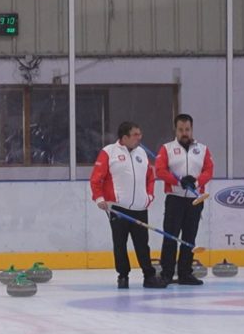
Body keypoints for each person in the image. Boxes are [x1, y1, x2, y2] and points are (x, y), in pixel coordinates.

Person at [90, 121, 164, 289]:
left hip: (140, 207)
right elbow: (96, 179)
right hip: (118, 208)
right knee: (120, 244)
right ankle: (123, 276)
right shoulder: (108, 152)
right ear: (124, 137)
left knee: (142, 244)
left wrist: (148, 197)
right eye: (135, 135)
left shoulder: (142, 154)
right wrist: (99, 198)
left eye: (140, 134)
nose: (140, 137)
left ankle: (149, 276)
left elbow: (150, 178)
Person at [155, 114, 214, 285]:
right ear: (176, 130)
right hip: (175, 198)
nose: (184, 133)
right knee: (171, 236)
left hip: (195, 200)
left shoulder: (202, 149)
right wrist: (179, 181)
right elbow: (160, 170)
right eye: (181, 130)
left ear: (191, 129)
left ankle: (185, 273)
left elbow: (208, 170)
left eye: (187, 129)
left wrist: (196, 181)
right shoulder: (166, 148)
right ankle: (166, 273)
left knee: (189, 237)